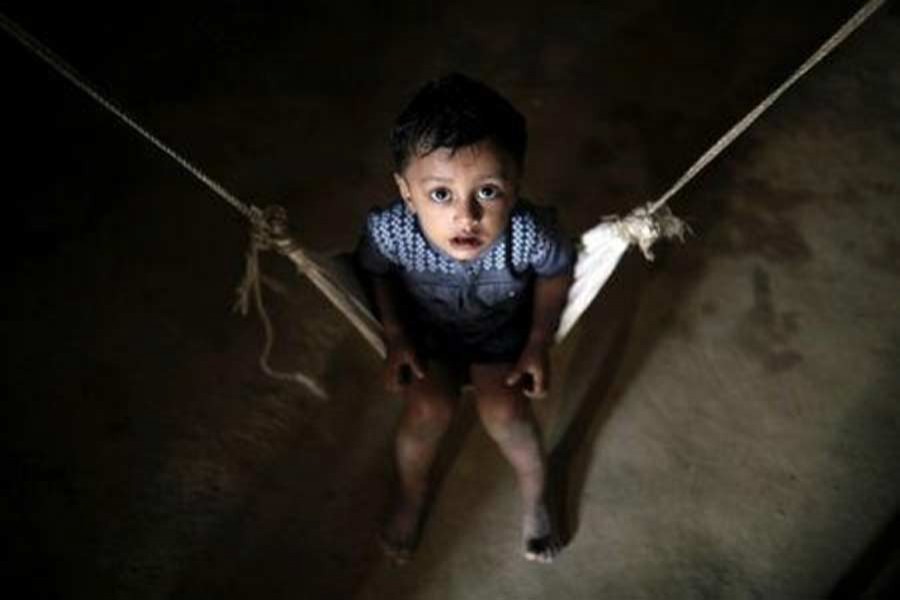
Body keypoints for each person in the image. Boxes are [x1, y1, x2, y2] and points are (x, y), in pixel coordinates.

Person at [356, 73, 575, 564]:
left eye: (489, 191)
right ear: (406, 192)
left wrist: (538, 339)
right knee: (427, 411)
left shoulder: (531, 232)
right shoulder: (391, 232)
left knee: (507, 414)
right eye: (440, 194)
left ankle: (537, 495)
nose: (467, 215)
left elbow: (557, 274)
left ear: (516, 185)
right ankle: (412, 494)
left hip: (501, 339)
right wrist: (394, 334)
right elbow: (375, 275)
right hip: (427, 337)